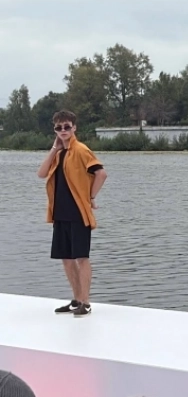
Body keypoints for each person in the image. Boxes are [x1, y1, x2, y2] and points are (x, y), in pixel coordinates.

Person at [36, 110, 107, 317]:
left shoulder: (81, 150)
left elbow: (101, 173)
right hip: (60, 214)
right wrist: (54, 149)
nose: (63, 130)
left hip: (78, 213)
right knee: (66, 259)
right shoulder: (59, 153)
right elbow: (41, 174)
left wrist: (91, 197)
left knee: (81, 257)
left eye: (67, 126)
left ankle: (86, 302)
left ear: (74, 127)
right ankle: (76, 300)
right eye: (59, 127)